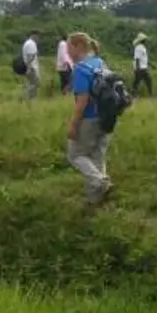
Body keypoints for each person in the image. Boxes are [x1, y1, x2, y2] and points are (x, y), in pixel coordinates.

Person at [64, 33, 114, 206]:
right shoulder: (99, 63)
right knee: (97, 156)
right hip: (107, 116)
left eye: (68, 47)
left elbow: (82, 102)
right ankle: (96, 199)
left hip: (90, 119)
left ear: (78, 46)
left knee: (75, 155)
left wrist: (73, 125)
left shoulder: (80, 69)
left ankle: (101, 182)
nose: (67, 51)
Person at [20, 32, 39, 100]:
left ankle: (29, 98)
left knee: (32, 84)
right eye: (38, 37)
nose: (38, 39)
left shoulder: (27, 43)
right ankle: (25, 96)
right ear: (34, 36)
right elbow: (30, 57)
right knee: (33, 84)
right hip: (32, 68)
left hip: (30, 67)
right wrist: (29, 68)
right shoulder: (31, 44)